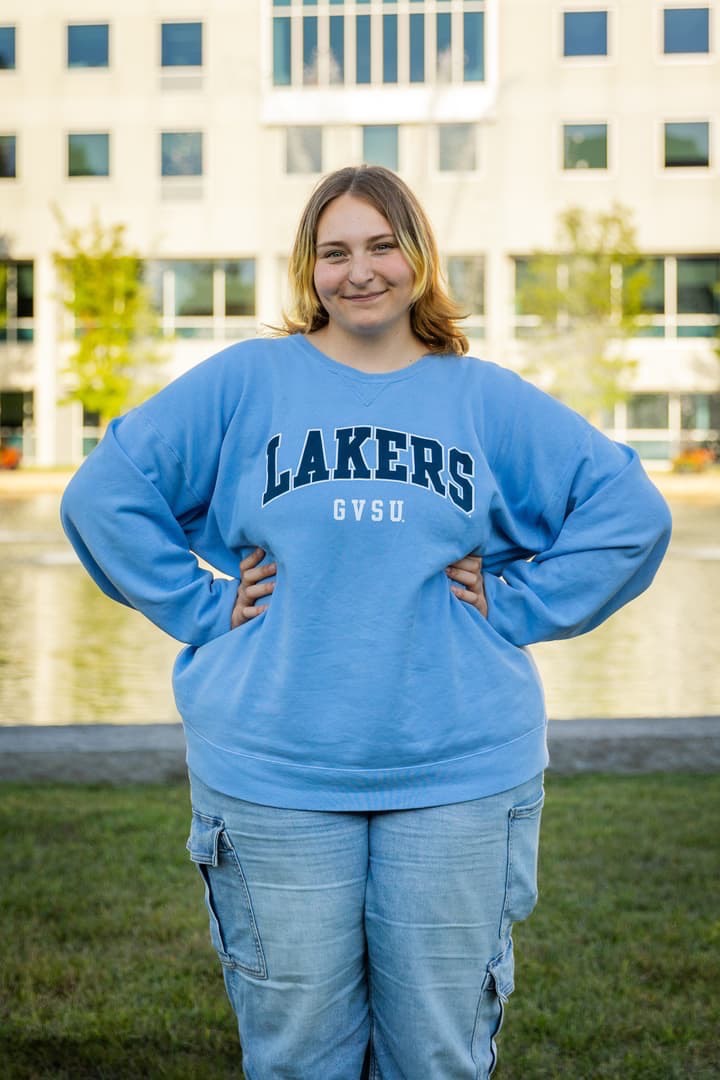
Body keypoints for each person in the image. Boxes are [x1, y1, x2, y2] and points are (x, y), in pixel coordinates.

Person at [60, 165, 672, 1079]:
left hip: (458, 771)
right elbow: (106, 495)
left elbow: (630, 514)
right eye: (334, 251)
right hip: (274, 770)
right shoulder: (246, 383)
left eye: (382, 245)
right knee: (301, 1055)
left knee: (436, 1056)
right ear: (308, 268)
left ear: (417, 256)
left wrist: (521, 604)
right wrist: (200, 604)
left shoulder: (482, 398)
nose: (361, 272)